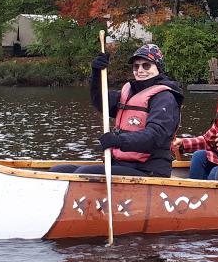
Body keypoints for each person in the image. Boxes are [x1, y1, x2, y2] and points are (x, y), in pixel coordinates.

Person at [51, 42, 184, 177]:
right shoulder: (130, 91)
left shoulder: (165, 97)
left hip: (149, 169)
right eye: (136, 66)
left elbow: (155, 136)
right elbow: (101, 102)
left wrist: (118, 141)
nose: (140, 70)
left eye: (146, 65)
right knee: (58, 170)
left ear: (158, 68)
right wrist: (96, 75)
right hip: (121, 164)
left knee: (84, 173)